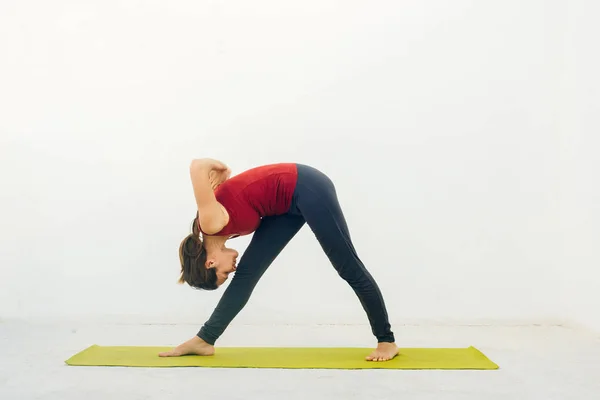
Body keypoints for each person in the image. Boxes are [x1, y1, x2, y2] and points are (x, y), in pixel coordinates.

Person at [158, 158, 399, 361]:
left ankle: (386, 341)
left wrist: (222, 169)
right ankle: (205, 340)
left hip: (305, 186)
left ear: (209, 263)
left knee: (347, 266)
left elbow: (197, 166)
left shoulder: (210, 222)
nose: (230, 269)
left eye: (223, 274)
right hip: (282, 206)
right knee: (246, 277)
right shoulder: (220, 229)